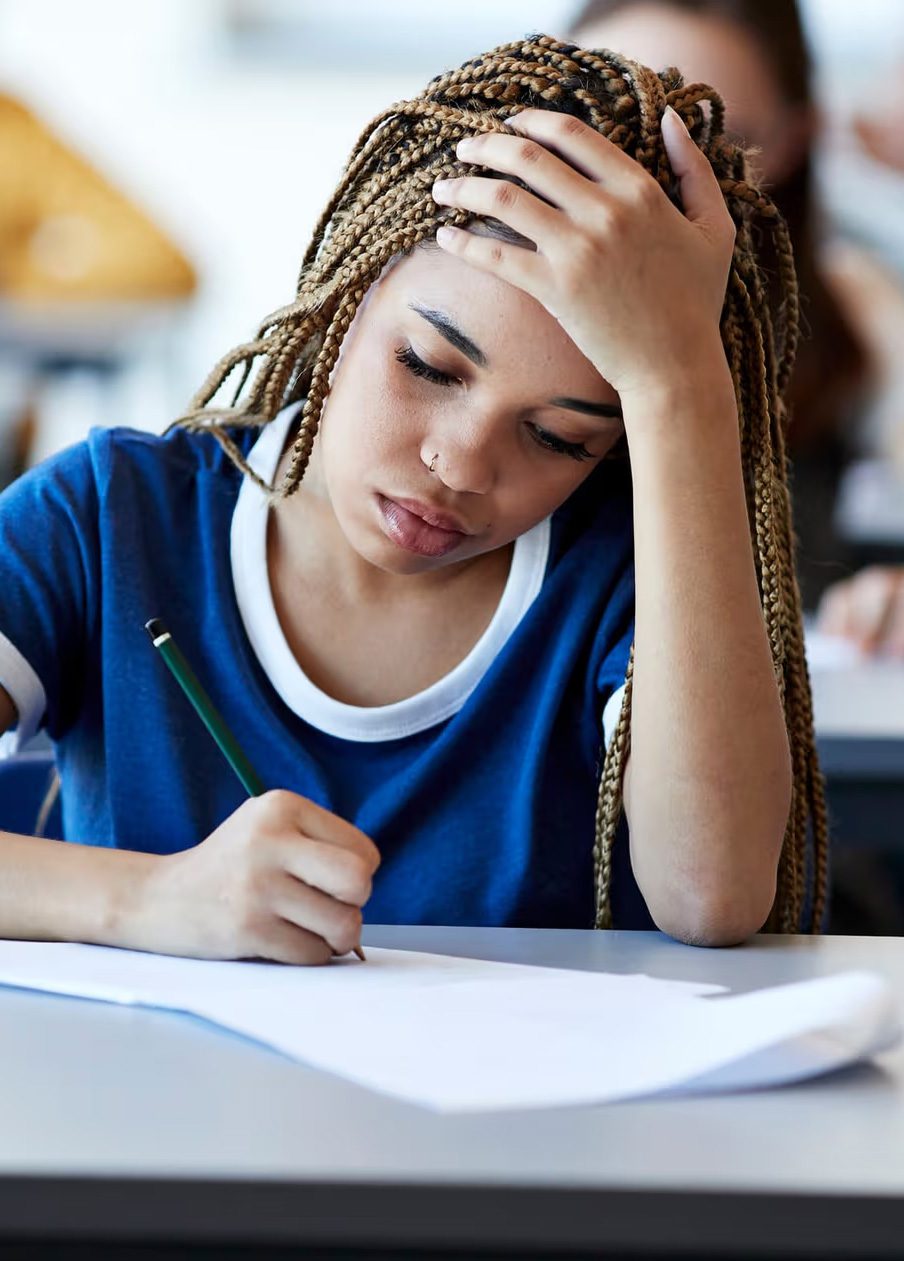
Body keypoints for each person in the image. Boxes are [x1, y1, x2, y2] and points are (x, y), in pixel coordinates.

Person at [0, 35, 825, 964]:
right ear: (347, 294)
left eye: (560, 437)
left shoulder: (632, 573)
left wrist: (681, 388)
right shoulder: (107, 518)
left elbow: (712, 897)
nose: (462, 464)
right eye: (428, 365)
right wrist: (146, 899)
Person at [567, 0, 904, 614]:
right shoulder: (444, 294)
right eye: (609, 122)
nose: (650, 182)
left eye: (715, 143)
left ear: (795, 142)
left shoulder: (862, 325)